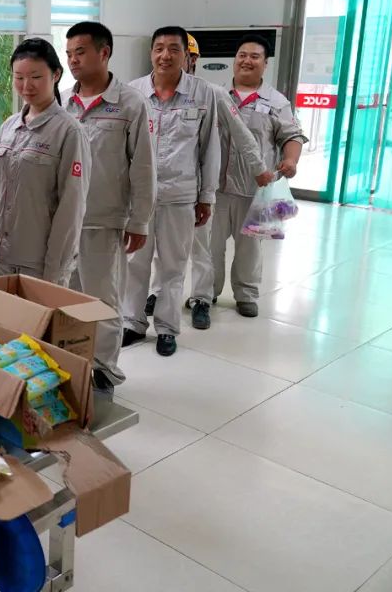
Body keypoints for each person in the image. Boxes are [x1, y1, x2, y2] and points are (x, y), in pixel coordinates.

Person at [146, 37, 269, 330]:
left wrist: (259, 168)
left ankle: (201, 298)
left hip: (195, 189)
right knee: (160, 247)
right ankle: (157, 293)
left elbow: (241, 133)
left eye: (182, 54)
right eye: (161, 50)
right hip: (158, 189)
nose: (171, 58)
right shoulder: (147, 92)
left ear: (193, 60)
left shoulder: (210, 93)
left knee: (201, 247)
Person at [63, 22, 156, 391]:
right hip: (64, 221)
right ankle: (70, 363)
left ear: (104, 53)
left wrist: (140, 221)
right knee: (66, 296)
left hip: (104, 219)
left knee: (103, 298)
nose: (72, 60)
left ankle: (104, 370)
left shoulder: (130, 103)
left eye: (80, 52)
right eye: (68, 54)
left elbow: (143, 166)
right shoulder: (64, 102)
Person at [123, 26, 219, 357]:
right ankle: (133, 322)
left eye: (173, 49)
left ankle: (166, 328)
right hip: (139, 197)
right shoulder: (133, 92)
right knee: (135, 263)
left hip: (180, 195)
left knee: (173, 266)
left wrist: (206, 196)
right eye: (159, 48)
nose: (165, 55)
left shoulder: (202, 93)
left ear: (186, 56)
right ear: (151, 53)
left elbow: (210, 147)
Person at [0, 38, 90, 286]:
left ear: (56, 75)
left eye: (36, 77)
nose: (26, 85)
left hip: (39, 263)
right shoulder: (9, 126)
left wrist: (55, 268)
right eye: (19, 77)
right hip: (2, 256)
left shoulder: (69, 132)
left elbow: (71, 207)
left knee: (39, 313)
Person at [213, 34, 307, 316]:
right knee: (208, 247)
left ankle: (246, 294)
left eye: (254, 56)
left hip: (255, 189)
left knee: (250, 248)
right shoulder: (216, 96)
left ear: (266, 64)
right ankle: (205, 294)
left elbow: (292, 135)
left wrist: (290, 160)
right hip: (215, 188)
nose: (247, 61)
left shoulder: (277, 102)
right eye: (242, 55)